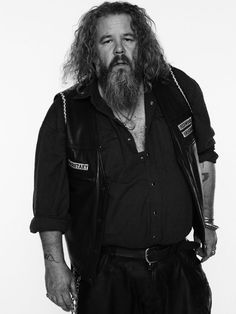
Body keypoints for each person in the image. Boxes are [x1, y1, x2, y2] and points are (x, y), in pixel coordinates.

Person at [30, 1, 219, 313]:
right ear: (92, 51)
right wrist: (54, 265)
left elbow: (204, 158)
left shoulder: (180, 89)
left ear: (141, 44)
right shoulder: (67, 113)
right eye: (107, 41)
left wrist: (208, 222)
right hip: (106, 278)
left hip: (178, 270)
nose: (119, 50)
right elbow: (50, 203)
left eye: (128, 39)